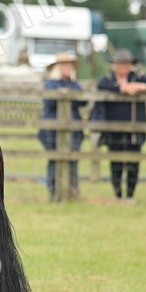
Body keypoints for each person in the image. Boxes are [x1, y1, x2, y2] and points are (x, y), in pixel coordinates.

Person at [94, 49, 146, 202]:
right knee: (115, 163)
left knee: (133, 164)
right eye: (120, 64)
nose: (123, 67)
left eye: (126, 64)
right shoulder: (108, 79)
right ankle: (117, 194)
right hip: (113, 129)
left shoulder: (138, 77)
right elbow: (101, 87)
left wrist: (139, 87)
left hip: (134, 130)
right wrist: (121, 88)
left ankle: (129, 195)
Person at [38, 51, 86, 200]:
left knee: (73, 161)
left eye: (69, 65)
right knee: (54, 160)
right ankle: (54, 191)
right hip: (52, 129)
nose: (68, 68)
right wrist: (64, 95)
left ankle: (72, 191)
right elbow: (49, 102)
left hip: (73, 129)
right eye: (65, 65)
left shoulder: (74, 84)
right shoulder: (51, 83)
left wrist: (66, 94)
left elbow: (82, 100)